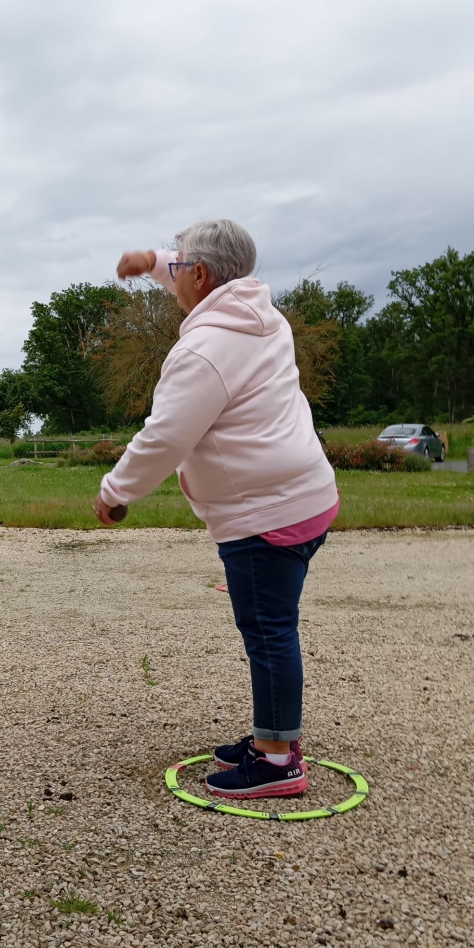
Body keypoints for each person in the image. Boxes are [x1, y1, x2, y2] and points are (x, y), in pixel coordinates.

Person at [92, 220, 339, 799]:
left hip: (265, 518)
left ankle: (278, 760)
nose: (171, 273)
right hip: (305, 496)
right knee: (272, 625)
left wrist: (114, 492)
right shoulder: (260, 316)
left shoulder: (205, 350)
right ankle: (270, 737)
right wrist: (150, 259)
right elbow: (197, 273)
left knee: (269, 631)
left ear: (200, 276)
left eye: (177, 266)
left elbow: (164, 438)